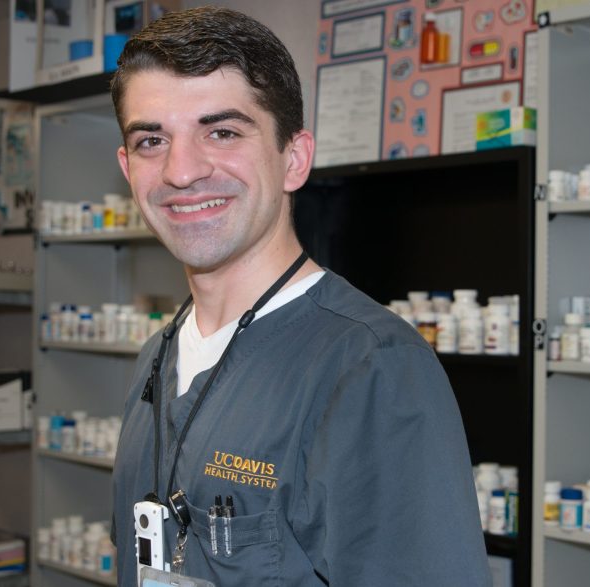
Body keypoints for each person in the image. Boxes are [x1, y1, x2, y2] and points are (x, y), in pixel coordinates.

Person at [108, 7, 491, 586]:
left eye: (222, 131)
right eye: (152, 140)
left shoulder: (369, 368)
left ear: (294, 158)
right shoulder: (156, 361)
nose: (181, 171)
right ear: (126, 168)